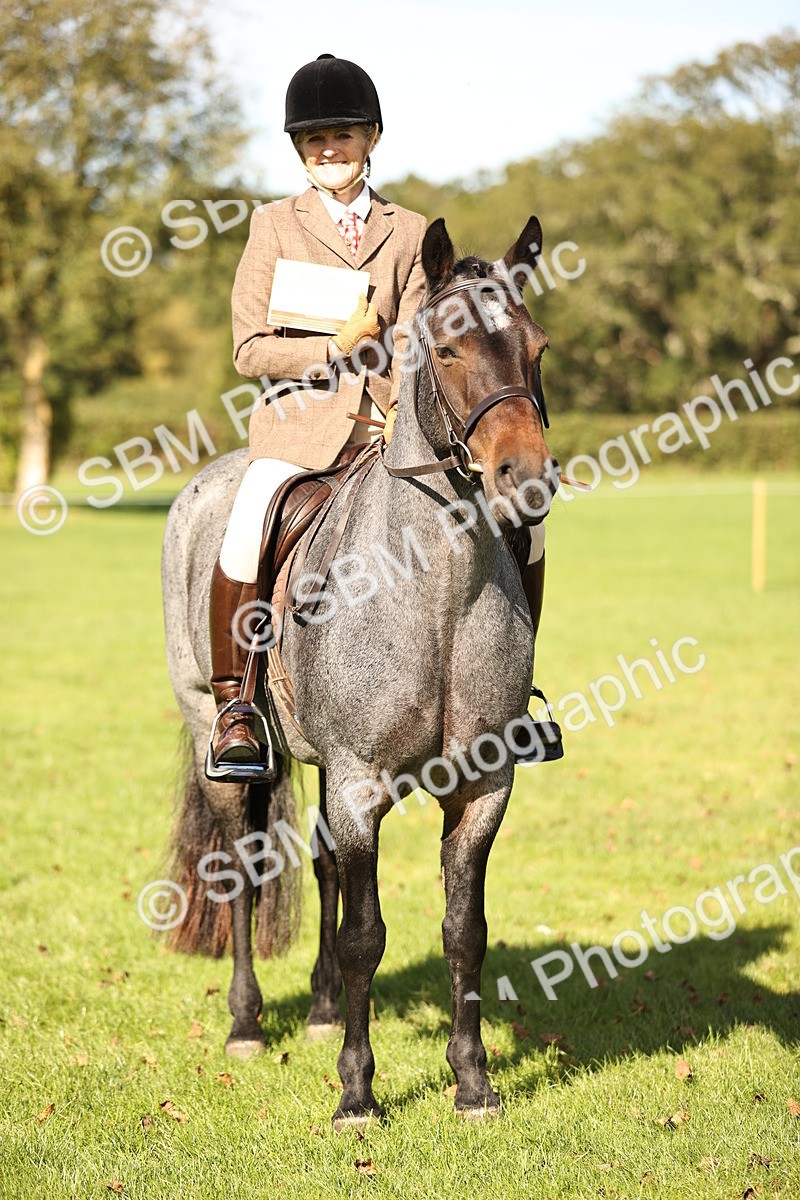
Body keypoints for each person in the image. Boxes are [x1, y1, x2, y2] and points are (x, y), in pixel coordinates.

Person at [207, 53, 560, 774]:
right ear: (300, 152)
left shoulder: (410, 231)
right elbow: (248, 349)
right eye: (314, 140)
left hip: (391, 429)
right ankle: (236, 705)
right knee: (246, 524)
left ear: (371, 138)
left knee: (530, 522)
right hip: (301, 428)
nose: (328, 149)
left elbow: (426, 333)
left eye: (342, 134)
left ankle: (512, 699)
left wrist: (408, 396)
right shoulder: (272, 226)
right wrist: (332, 347)